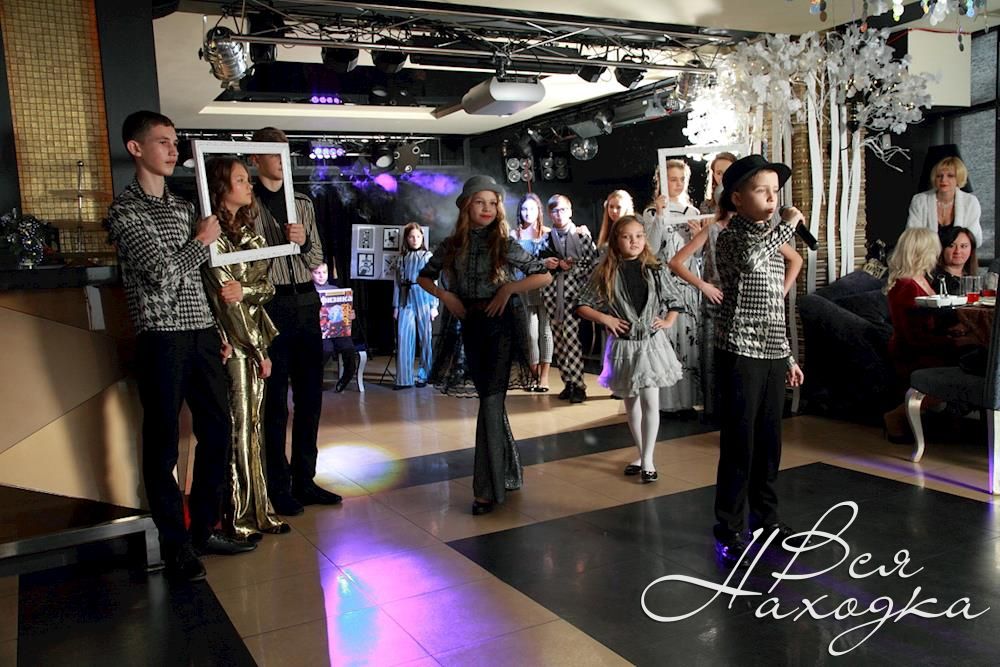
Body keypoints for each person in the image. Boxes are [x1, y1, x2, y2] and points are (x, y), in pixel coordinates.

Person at [106, 110, 255, 581]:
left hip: (201, 333)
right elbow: (159, 274)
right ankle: (175, 546)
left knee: (219, 431)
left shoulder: (182, 206)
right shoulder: (124, 211)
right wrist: (201, 240)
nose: (173, 150)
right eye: (163, 142)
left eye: (175, 142)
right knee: (163, 444)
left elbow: (198, 279)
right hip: (161, 337)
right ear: (136, 148)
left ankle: (203, 530)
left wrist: (218, 330)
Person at [417, 175, 552, 515]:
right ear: (466, 206)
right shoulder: (451, 245)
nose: (488, 208)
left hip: (501, 327)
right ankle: (508, 473)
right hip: (471, 327)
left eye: (493, 203)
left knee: (491, 403)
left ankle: (486, 491)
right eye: (480, 202)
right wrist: (446, 296)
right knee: (492, 402)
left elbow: (543, 274)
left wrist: (509, 289)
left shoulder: (504, 244)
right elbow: (423, 277)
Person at [712, 154, 804, 567]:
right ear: (737, 197)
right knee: (739, 443)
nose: (772, 199)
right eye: (761, 191)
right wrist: (788, 224)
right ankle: (729, 528)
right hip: (739, 350)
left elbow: (773, 305)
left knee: (769, 441)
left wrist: (788, 357)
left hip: (771, 351)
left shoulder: (771, 237)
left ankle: (766, 520)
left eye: (775, 192)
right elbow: (750, 260)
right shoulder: (732, 237)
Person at [249, 126, 341, 515]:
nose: (281, 160)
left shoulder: (302, 201)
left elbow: (317, 257)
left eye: (285, 153)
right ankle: (277, 484)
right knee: (274, 404)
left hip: (305, 300)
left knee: (310, 397)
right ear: (256, 159)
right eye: (273, 153)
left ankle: (305, 479)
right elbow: (243, 264)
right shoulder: (247, 202)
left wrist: (302, 242)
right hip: (269, 305)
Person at [201, 157, 290, 542]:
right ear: (222, 188)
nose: (249, 185)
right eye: (240, 179)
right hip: (232, 342)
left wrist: (246, 290)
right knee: (238, 429)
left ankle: (260, 510)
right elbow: (226, 302)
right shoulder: (212, 235)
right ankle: (237, 516)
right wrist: (256, 350)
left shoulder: (250, 233)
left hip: (254, 338)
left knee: (254, 427)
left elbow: (265, 288)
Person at [576, 215, 684, 482]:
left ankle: (648, 459)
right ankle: (641, 452)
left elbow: (675, 299)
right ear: (616, 240)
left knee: (650, 401)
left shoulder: (655, 268)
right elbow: (582, 305)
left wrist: (668, 321)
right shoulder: (605, 270)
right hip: (623, 347)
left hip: (650, 345)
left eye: (638, 236)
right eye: (627, 237)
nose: (634, 241)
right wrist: (606, 319)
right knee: (631, 403)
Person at [882, 228, 973, 442]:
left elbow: (926, 324)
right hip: (913, 353)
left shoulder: (921, 279)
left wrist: (951, 332)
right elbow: (913, 337)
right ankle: (895, 416)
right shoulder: (906, 285)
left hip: (925, 345)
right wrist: (955, 342)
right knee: (970, 360)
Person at [668, 208, 734, 422]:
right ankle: (714, 410)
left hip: (741, 305)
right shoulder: (712, 229)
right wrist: (703, 285)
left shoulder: (751, 230)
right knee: (712, 358)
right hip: (715, 303)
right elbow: (675, 262)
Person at [653, 159, 703, 417]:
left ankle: (687, 401)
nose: (678, 184)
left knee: (689, 339)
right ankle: (665, 401)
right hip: (664, 283)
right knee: (667, 340)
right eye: (673, 179)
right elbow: (651, 249)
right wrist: (659, 215)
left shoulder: (693, 212)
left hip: (688, 283)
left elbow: (699, 255)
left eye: (682, 179)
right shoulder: (652, 212)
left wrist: (696, 237)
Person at [540, 194, 599, 403]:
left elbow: (593, 264)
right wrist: (549, 263)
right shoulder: (546, 238)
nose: (559, 214)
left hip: (575, 294)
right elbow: (537, 262)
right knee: (559, 339)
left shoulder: (582, 236)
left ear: (570, 211)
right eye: (555, 211)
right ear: (550, 214)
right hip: (552, 294)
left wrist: (571, 267)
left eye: (563, 210)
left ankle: (578, 384)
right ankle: (568, 382)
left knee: (571, 338)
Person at [512, 193, 553, 391]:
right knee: (530, 332)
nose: (528, 213)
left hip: (545, 287)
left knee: (546, 331)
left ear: (539, 211)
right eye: (524, 209)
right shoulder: (514, 235)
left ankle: (544, 376)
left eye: (532, 208)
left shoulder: (548, 233)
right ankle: (534, 373)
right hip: (524, 287)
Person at [393, 223, 438, 389]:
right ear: (407, 238)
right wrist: (396, 306)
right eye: (411, 237)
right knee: (404, 336)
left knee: (425, 337)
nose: (415, 240)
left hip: (424, 296)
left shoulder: (427, 256)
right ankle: (404, 378)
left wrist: (434, 305)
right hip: (406, 297)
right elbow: (397, 284)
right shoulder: (401, 258)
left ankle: (425, 375)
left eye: (418, 236)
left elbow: (433, 281)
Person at [906, 156, 982, 247]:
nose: (943, 180)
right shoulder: (919, 201)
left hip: (959, 253)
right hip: (926, 253)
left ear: (959, 178)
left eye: (950, 176)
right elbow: (912, 237)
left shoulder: (970, 202)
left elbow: (973, 238)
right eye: (939, 176)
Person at [312, 263, 358, 393]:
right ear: (311, 274)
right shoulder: (309, 291)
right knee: (326, 349)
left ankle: (346, 377)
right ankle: (314, 380)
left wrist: (350, 315)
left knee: (348, 349)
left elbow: (345, 311)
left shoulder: (335, 289)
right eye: (317, 273)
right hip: (319, 332)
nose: (321, 276)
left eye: (324, 272)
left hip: (338, 330)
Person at [931, 225, 979, 296]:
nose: (957, 251)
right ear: (942, 249)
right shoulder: (934, 279)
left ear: (972, 249)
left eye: (963, 246)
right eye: (951, 246)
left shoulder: (972, 278)